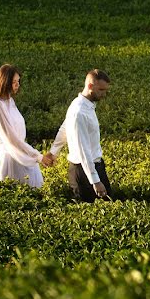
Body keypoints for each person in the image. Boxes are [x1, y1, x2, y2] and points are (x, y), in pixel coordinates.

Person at [43, 69, 115, 201]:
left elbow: (64, 128)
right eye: (101, 90)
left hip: (95, 166)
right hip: (83, 172)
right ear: (90, 86)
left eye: (105, 90)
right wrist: (95, 181)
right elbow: (83, 150)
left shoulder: (83, 105)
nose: (104, 94)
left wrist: (53, 152)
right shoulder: (79, 112)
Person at [0, 64, 48, 188]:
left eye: (18, 81)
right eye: (14, 82)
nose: (17, 85)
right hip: (9, 158)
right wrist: (37, 155)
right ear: (5, 82)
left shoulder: (10, 102)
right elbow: (11, 138)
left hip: (22, 154)